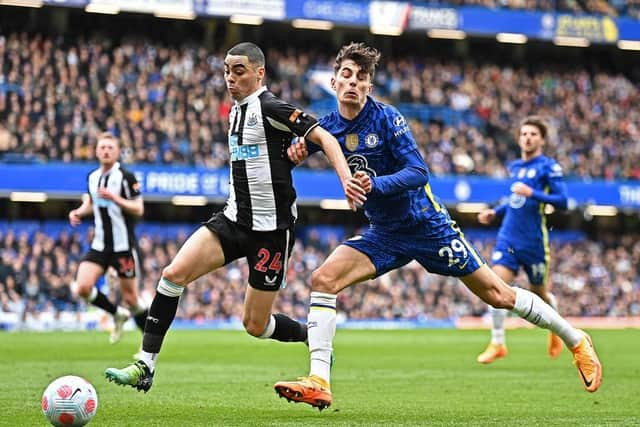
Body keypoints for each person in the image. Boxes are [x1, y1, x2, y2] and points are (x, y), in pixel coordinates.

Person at [273, 42, 602, 410]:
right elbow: (296, 149)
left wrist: (374, 184)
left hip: (427, 226)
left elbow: (418, 172)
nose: (353, 82)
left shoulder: (387, 118)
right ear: (333, 82)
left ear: (369, 86)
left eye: (361, 77)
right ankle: (319, 379)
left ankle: (576, 340)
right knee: (323, 279)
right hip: (385, 234)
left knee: (499, 295)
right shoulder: (329, 126)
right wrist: (295, 154)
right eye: (346, 75)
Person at [104, 42, 365, 392]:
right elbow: (271, 158)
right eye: (227, 70)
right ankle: (145, 364)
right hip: (233, 220)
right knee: (172, 274)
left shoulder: (271, 106)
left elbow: (324, 137)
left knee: (255, 325)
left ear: (259, 73)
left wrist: (346, 180)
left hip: (271, 232)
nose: (230, 77)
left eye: (238, 70)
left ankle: (310, 336)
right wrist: (288, 157)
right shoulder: (235, 111)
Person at [476, 116, 568, 364]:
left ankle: (556, 331)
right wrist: (495, 212)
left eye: (533, 134)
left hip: (534, 242)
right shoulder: (515, 166)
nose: (527, 137)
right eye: (524, 133)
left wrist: (534, 193)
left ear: (542, 139)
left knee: (541, 295)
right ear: (518, 138)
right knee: (494, 285)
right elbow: (514, 201)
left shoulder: (549, 167)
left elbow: (564, 201)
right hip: (508, 237)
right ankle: (498, 342)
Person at [69, 131, 148, 344]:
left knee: (131, 299)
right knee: (82, 287)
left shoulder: (126, 177)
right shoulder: (93, 177)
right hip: (100, 245)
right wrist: (78, 212)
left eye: (110, 148)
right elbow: (92, 203)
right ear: (96, 151)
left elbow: (138, 208)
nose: (105, 151)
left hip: (123, 247)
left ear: (117, 152)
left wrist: (116, 198)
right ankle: (116, 313)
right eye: (102, 147)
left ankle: (150, 341)